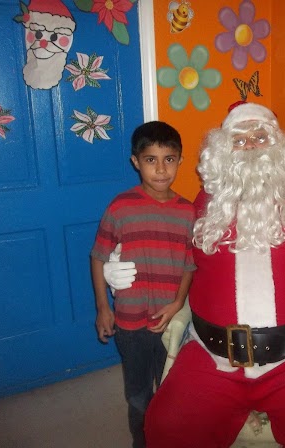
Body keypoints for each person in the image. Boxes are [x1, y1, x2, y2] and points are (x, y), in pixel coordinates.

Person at [104, 103, 285, 447]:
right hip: (212, 357)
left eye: (260, 137)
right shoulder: (204, 205)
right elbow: (173, 256)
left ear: (279, 146)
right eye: (239, 139)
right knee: (167, 426)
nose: (250, 146)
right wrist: (121, 267)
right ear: (223, 151)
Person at [90, 121, 195, 448]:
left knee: (170, 389)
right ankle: (143, 441)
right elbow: (98, 256)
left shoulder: (188, 212)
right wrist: (103, 308)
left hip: (169, 322)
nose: (161, 169)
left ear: (180, 161)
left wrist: (178, 303)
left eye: (169, 159)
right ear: (136, 162)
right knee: (137, 393)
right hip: (130, 322)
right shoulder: (121, 207)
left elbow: (190, 264)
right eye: (151, 160)